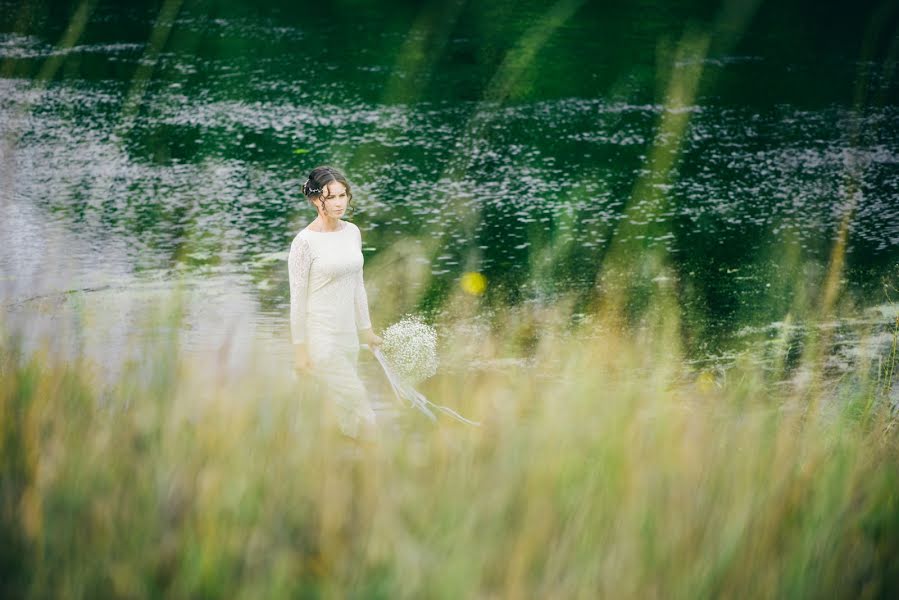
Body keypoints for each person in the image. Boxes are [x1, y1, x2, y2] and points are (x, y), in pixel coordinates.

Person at [288, 166, 382, 439]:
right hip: (322, 339)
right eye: (332, 197)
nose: (340, 202)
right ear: (317, 200)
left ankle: (342, 470)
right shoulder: (304, 242)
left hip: (348, 337)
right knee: (362, 408)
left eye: (344, 195)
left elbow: (357, 286)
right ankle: (375, 458)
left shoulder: (352, 232)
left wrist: (366, 330)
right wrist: (300, 351)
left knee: (344, 412)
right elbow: (297, 300)